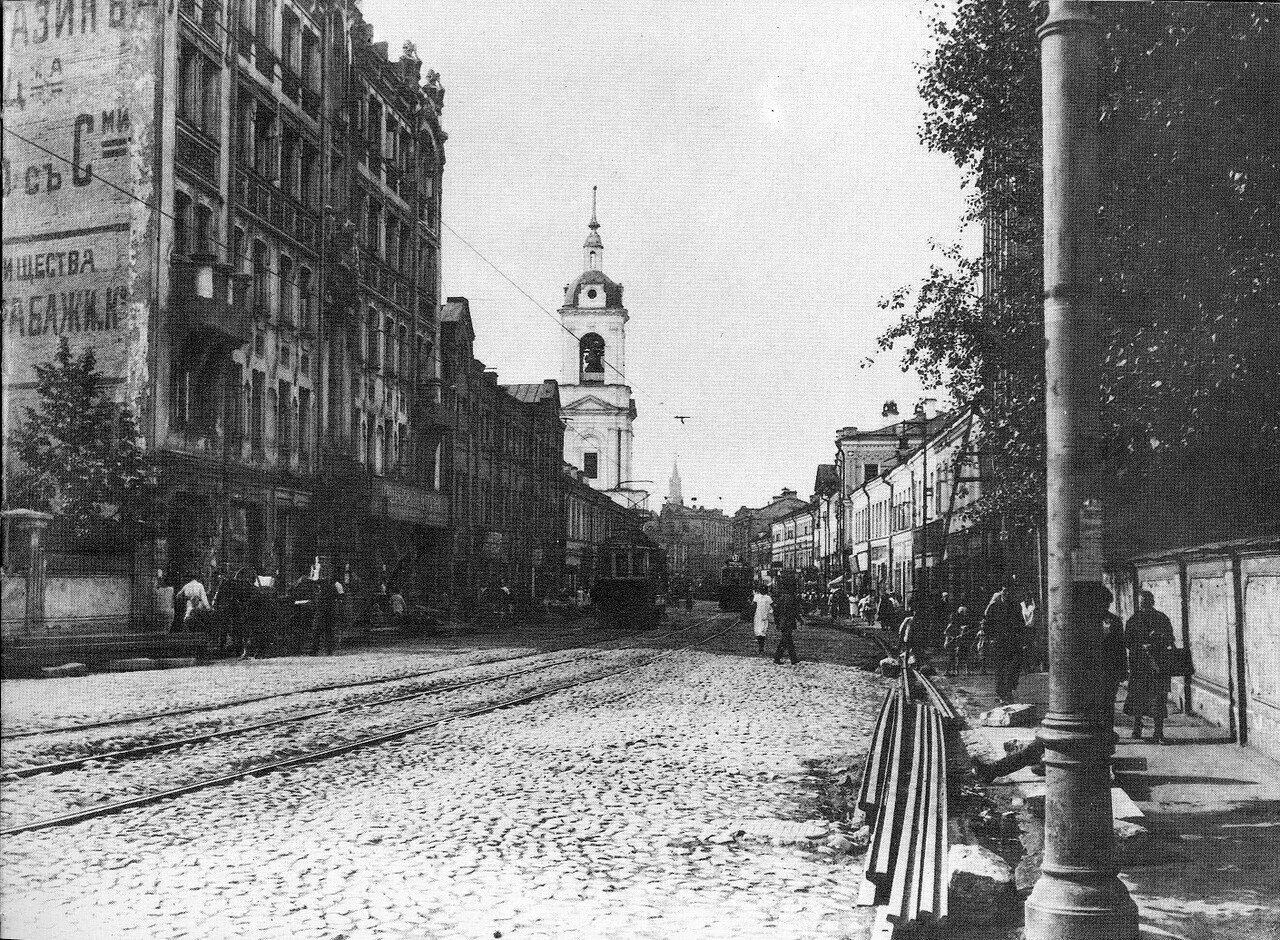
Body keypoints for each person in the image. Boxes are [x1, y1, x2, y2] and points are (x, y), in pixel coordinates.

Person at [1124, 590, 1176, 743]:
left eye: (1146, 602)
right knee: (1137, 697)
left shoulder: (1162, 618)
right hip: (1140, 665)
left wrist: (1158, 639)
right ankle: (1137, 727)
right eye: (1142, 603)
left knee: (1159, 699)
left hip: (1158, 665)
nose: (1144, 606)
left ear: (1152, 602)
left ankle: (1158, 732)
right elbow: (1127, 642)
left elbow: (1170, 638)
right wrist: (1141, 646)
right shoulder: (1133, 620)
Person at [983, 583, 1025, 702]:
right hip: (998, 642)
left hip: (1012, 641)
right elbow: (987, 624)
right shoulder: (994, 607)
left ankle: (1009, 689)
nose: (1007, 593)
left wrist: (1020, 636)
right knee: (1000, 668)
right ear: (1001, 591)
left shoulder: (1015, 606)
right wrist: (990, 638)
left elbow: (1021, 623)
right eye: (1005, 591)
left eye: (1009, 591)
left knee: (1014, 665)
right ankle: (1002, 693)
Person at [311, 565, 344, 656]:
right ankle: (315, 651)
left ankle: (328, 651)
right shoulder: (321, 583)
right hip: (322, 609)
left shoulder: (337, 584)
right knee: (318, 630)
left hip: (329, 609)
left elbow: (341, 598)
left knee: (327, 631)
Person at [772, 579, 802, 665]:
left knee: (788, 640)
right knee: (786, 640)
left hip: (782, 622)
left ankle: (793, 658)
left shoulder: (780, 598)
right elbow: (795, 612)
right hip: (788, 622)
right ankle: (777, 657)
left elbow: (776, 612)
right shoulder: (792, 598)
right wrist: (800, 620)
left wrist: (777, 622)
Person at [943, 604, 972, 676]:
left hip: (954, 642)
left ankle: (953, 671)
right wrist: (952, 637)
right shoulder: (951, 625)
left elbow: (959, 632)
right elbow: (945, 633)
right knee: (951, 657)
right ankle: (947, 671)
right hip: (949, 642)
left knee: (954, 656)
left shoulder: (957, 624)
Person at [751, 583, 774, 654]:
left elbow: (753, 606)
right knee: (761, 632)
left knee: (761, 632)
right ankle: (761, 648)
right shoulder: (765, 597)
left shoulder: (759, 597)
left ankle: (761, 648)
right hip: (761, 617)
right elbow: (773, 605)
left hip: (761, 617)